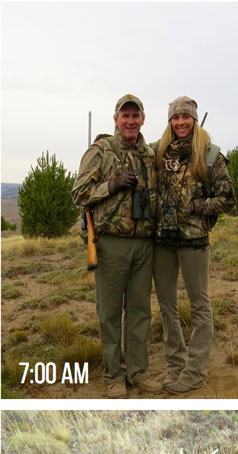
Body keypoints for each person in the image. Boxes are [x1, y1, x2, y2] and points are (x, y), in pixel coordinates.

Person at [72, 94, 162, 399]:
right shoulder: (100, 151)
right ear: (115, 120)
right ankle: (113, 376)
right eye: (125, 116)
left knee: (139, 312)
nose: (131, 121)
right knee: (109, 313)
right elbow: (79, 194)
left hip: (144, 245)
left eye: (136, 116)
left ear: (143, 120)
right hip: (110, 245)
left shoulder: (150, 154)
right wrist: (112, 185)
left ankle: (138, 373)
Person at [153, 96, 235, 393]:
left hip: (194, 241)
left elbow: (228, 199)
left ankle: (195, 372)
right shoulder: (159, 152)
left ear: (195, 119)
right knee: (167, 306)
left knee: (200, 307)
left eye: (186, 117)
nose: (181, 122)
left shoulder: (211, 154)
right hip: (162, 240)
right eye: (176, 118)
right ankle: (176, 366)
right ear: (170, 121)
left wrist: (196, 207)